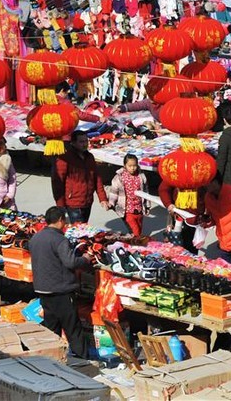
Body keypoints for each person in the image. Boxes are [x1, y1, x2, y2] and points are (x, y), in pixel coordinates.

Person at [29, 207, 93, 359]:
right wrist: (85, 259)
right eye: (64, 220)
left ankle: (53, 360)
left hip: (43, 290)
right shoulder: (59, 240)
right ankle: (82, 361)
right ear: (60, 221)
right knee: (73, 328)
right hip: (61, 291)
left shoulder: (36, 238)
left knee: (52, 329)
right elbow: (70, 262)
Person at [51, 130, 110, 224]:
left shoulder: (89, 157)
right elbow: (57, 182)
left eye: (86, 141)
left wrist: (102, 198)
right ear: (73, 143)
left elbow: (96, 178)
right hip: (73, 203)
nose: (85, 144)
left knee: (84, 228)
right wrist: (60, 205)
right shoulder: (65, 158)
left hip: (88, 201)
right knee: (78, 231)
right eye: (81, 142)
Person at [107, 154, 149, 236]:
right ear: (124, 165)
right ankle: (136, 241)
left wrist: (147, 204)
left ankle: (135, 239)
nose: (132, 168)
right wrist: (111, 203)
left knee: (139, 227)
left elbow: (146, 191)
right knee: (135, 229)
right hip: (127, 209)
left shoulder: (141, 176)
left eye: (134, 165)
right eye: (130, 166)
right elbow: (114, 191)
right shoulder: (120, 177)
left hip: (139, 207)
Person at [159, 181, 205, 254]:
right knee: (176, 245)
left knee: (192, 247)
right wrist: (168, 203)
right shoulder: (175, 173)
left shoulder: (201, 174)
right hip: (179, 216)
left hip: (196, 218)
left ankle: (189, 263)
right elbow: (164, 189)